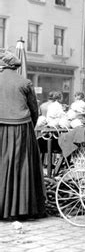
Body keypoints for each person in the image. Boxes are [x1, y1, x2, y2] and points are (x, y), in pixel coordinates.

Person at [0, 50, 46, 220]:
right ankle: (20, 208)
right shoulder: (25, 82)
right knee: (22, 167)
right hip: (21, 128)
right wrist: (31, 126)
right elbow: (35, 110)